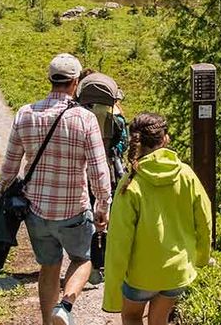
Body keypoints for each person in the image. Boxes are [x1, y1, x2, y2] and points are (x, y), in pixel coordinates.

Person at [0, 53, 111, 325]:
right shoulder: (84, 119)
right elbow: (98, 169)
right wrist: (102, 205)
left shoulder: (25, 114)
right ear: (75, 82)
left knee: (48, 266)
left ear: (50, 79)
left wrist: (1, 191)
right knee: (83, 260)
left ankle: (48, 322)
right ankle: (66, 306)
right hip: (73, 208)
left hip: (35, 210)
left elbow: (10, 166)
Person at [102, 113, 212, 325]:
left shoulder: (130, 182)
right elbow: (204, 220)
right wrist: (201, 257)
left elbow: (118, 241)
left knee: (132, 316)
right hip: (177, 271)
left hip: (140, 275)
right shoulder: (186, 174)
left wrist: (113, 292)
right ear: (165, 139)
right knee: (159, 320)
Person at [77, 71, 130, 286]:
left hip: (81, 170)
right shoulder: (115, 117)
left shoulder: (78, 113)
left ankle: (86, 261)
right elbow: (123, 143)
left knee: (85, 212)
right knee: (105, 215)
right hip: (106, 170)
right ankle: (102, 261)